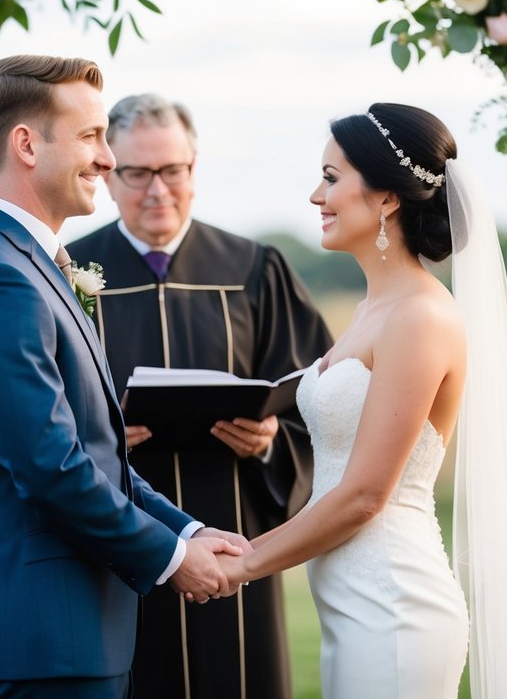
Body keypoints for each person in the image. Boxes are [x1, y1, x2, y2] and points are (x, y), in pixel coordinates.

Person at [0, 55, 246, 699]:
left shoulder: (33, 265)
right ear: (25, 144)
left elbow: (99, 454)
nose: (107, 158)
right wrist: (173, 558)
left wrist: (187, 529)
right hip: (49, 634)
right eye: (91, 136)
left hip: (77, 629)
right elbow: (52, 467)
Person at [216, 103, 507, 698]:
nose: (314, 196)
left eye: (330, 179)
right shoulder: (371, 312)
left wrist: (244, 562)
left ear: (386, 198)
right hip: (353, 604)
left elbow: (365, 494)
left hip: (394, 607)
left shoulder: (420, 316)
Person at [67, 94, 333, 699]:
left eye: (173, 170)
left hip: (233, 537)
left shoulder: (253, 270)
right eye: (137, 173)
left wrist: (270, 443)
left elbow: (318, 402)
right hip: (123, 543)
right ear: (110, 176)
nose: (157, 190)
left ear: (194, 168)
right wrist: (99, 435)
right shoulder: (69, 274)